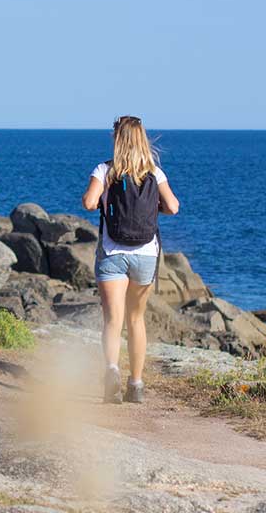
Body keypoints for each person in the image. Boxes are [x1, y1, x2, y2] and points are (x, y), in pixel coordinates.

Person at [81, 115, 180, 403]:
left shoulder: (105, 170)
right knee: (136, 319)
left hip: (113, 252)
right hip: (146, 254)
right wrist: (151, 210)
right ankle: (135, 384)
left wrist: (104, 201)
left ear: (117, 139)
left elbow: (89, 203)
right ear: (142, 140)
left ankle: (111, 369)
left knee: (112, 320)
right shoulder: (154, 174)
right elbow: (173, 207)